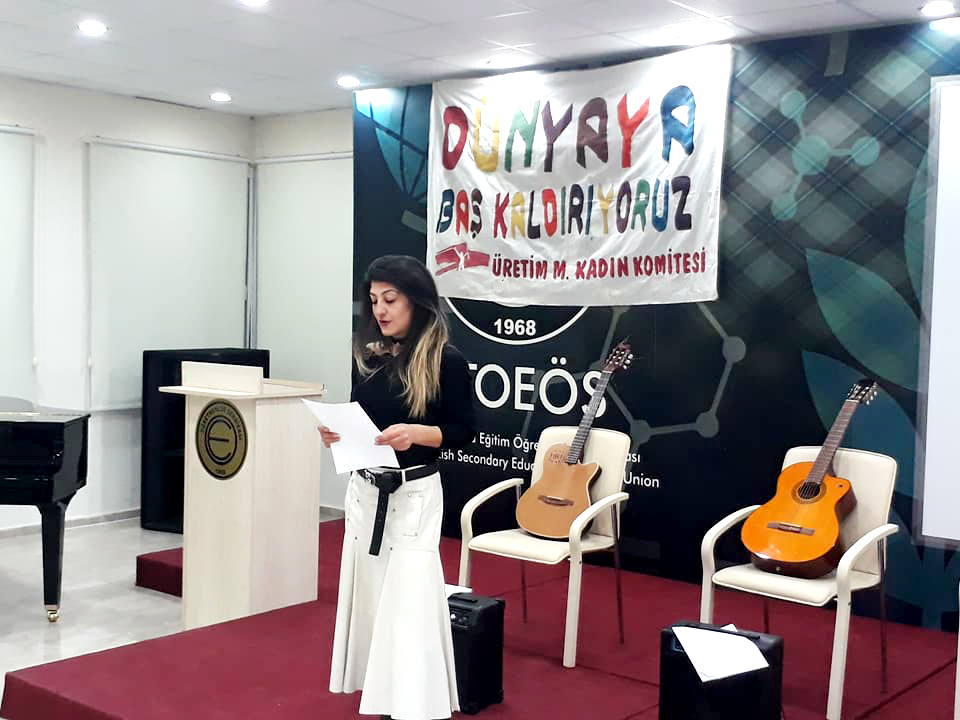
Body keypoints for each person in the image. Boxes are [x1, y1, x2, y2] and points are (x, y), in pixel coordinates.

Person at [320, 255, 477, 720]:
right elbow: (361, 416)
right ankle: (380, 693)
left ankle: (413, 704)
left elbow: (464, 430)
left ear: (417, 301)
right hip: (365, 494)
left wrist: (417, 434)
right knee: (372, 597)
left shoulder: (447, 361)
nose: (380, 310)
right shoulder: (369, 356)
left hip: (413, 498)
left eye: (390, 299)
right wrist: (336, 433)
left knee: (408, 602)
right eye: (373, 301)